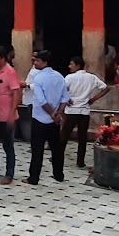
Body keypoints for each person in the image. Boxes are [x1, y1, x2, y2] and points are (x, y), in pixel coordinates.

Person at [24, 50, 70, 184]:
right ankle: (58, 174)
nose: (35, 62)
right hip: (54, 119)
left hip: (40, 118)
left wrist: (52, 113)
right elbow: (65, 98)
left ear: (44, 62)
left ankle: (34, 177)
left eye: (38, 61)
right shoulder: (60, 77)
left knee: (37, 149)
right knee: (56, 148)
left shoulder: (39, 78)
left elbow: (41, 99)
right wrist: (58, 113)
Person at [61, 57, 108, 169]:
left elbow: (61, 89)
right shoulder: (91, 77)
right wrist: (93, 99)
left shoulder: (70, 77)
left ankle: (58, 157)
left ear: (77, 65)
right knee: (82, 137)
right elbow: (105, 88)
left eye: (71, 64)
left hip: (71, 111)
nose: (69, 66)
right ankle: (80, 161)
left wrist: (66, 99)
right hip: (84, 111)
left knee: (64, 136)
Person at [0, 45, 22, 185]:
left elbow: (16, 93)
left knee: (8, 146)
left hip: (6, 116)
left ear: (3, 58)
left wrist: (12, 114)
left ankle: (9, 174)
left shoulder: (10, 72)